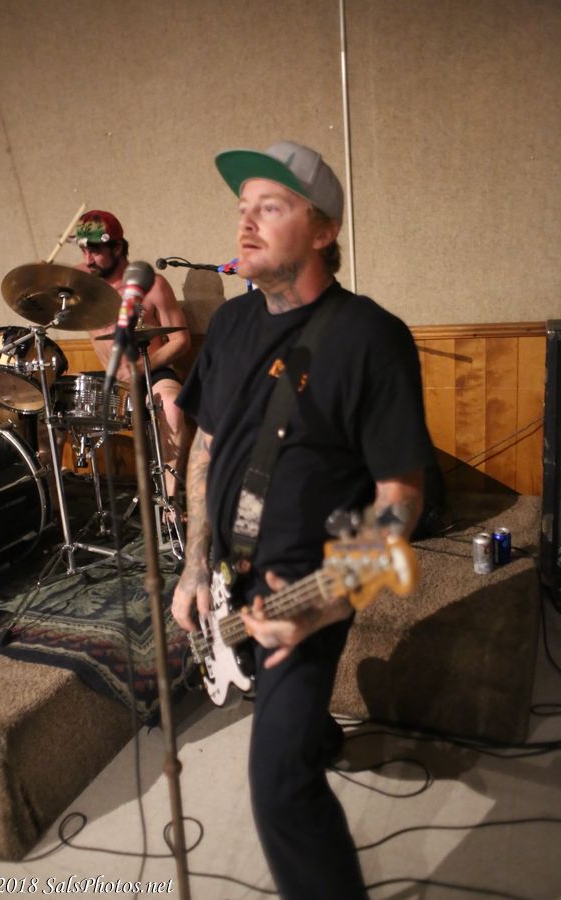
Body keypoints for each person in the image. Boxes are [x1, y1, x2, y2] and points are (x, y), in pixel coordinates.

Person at [171, 141, 435, 899]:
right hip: (230, 574)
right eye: (242, 208)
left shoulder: (370, 336)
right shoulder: (229, 326)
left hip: (305, 585)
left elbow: (400, 498)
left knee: (280, 788)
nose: (246, 224)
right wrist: (194, 563)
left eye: (271, 206)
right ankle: (317, 734)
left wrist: (325, 603)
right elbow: (206, 448)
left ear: (323, 230)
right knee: (295, 727)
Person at [74, 209, 191, 496]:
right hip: (110, 378)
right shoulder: (81, 282)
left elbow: (181, 340)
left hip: (152, 371)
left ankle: (170, 500)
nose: (88, 259)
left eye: (96, 251)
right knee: (51, 414)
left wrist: (140, 367)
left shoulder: (153, 285)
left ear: (117, 248)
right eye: (84, 251)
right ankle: (56, 505)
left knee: (172, 406)